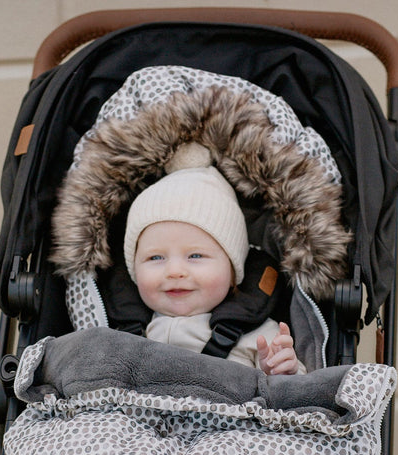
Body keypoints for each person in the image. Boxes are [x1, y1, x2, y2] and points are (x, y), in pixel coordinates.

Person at [123, 142, 305, 375]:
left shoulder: (259, 335)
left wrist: (282, 371)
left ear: (232, 271)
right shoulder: (119, 331)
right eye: (155, 257)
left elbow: (297, 390)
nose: (174, 271)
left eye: (195, 255)